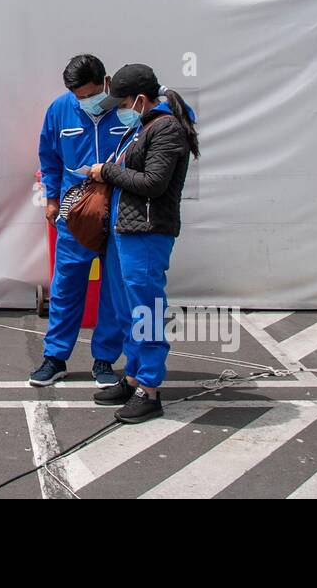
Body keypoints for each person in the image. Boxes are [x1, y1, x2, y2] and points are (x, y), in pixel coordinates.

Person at [87, 63, 199, 424]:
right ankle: (134, 376)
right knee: (128, 309)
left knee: (146, 310)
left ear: (139, 99)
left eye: (122, 103)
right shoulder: (143, 126)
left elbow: (153, 183)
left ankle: (149, 389)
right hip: (127, 231)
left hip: (148, 233)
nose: (119, 110)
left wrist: (107, 171)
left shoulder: (166, 128)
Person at [30, 54, 130, 388]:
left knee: (114, 288)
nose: (86, 101)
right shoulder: (59, 109)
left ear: (106, 82)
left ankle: (104, 360)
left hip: (118, 211)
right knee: (66, 285)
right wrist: (52, 200)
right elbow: (49, 157)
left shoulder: (126, 108)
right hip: (75, 213)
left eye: (92, 94)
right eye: (79, 96)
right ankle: (55, 357)